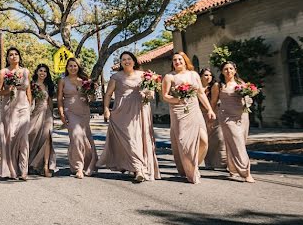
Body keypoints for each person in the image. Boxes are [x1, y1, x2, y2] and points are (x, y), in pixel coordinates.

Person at [100, 52, 160, 182]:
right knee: (130, 139)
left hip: (140, 110)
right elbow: (108, 94)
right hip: (122, 113)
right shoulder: (116, 77)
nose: (126, 61)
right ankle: (138, 168)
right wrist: (106, 109)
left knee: (139, 138)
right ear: (121, 62)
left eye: (129, 59)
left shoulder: (144, 75)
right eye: (123, 60)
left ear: (134, 61)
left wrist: (149, 93)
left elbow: (153, 88)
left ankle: (138, 168)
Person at [161, 51, 215, 184]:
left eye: (180, 59)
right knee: (185, 144)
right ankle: (192, 171)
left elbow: (200, 93)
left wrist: (209, 109)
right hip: (179, 112)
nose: (177, 62)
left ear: (185, 61)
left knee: (204, 140)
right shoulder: (169, 77)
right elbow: (165, 96)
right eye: (174, 60)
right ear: (172, 63)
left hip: (194, 109)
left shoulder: (194, 74)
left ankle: (192, 164)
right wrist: (178, 100)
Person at [211, 61, 256, 182]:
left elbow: (249, 98)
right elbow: (213, 102)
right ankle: (246, 173)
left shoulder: (241, 83)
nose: (229, 71)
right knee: (238, 143)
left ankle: (232, 169)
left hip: (242, 116)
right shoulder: (218, 85)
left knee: (237, 142)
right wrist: (211, 115)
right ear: (222, 71)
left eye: (231, 68)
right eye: (226, 69)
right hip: (226, 117)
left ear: (235, 70)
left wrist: (249, 94)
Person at [58, 57, 98, 179]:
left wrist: (92, 91)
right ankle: (79, 167)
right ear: (67, 67)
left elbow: (92, 98)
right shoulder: (63, 81)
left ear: (78, 67)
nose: (73, 68)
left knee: (85, 138)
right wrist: (61, 114)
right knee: (76, 136)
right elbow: (60, 98)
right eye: (70, 65)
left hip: (84, 111)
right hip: (70, 111)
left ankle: (89, 165)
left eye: (75, 65)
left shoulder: (85, 80)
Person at [0, 47, 32, 180]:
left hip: (23, 108)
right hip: (9, 108)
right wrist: (9, 89)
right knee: (11, 138)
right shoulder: (3, 72)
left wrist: (30, 105)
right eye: (11, 55)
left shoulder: (25, 71)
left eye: (16, 54)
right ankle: (11, 169)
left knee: (23, 139)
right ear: (7, 58)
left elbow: (28, 90)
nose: (14, 56)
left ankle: (24, 170)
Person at [28, 63, 57, 176]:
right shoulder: (32, 85)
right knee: (32, 136)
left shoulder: (48, 85)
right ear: (36, 72)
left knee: (47, 137)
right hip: (36, 113)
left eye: (45, 71)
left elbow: (49, 100)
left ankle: (45, 167)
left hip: (47, 113)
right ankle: (30, 163)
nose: (43, 73)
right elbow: (29, 100)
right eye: (41, 70)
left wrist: (52, 115)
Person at [200, 68, 227, 170]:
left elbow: (215, 102)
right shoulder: (197, 89)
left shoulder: (214, 87)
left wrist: (211, 113)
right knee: (206, 140)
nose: (208, 77)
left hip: (215, 115)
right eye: (206, 75)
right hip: (200, 116)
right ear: (201, 76)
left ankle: (221, 162)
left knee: (219, 138)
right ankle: (209, 163)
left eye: (210, 75)